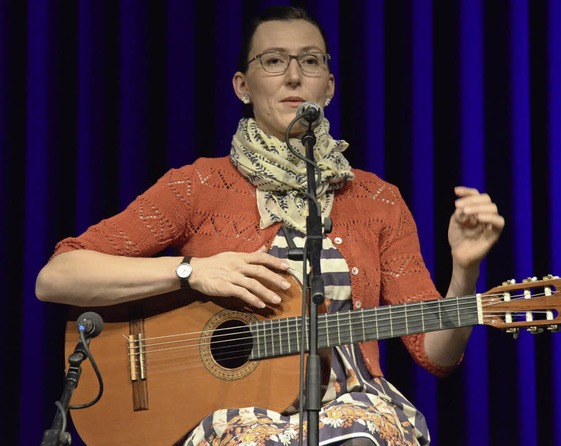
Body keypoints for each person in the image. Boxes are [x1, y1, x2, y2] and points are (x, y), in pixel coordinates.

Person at [36, 6, 504, 446]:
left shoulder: (378, 200)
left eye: (311, 61)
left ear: (330, 87)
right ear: (243, 85)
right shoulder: (198, 186)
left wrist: (464, 272)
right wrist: (190, 271)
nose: (295, 75)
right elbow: (57, 277)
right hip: (233, 415)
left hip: (353, 410)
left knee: (359, 435)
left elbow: (435, 355)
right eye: (274, 60)